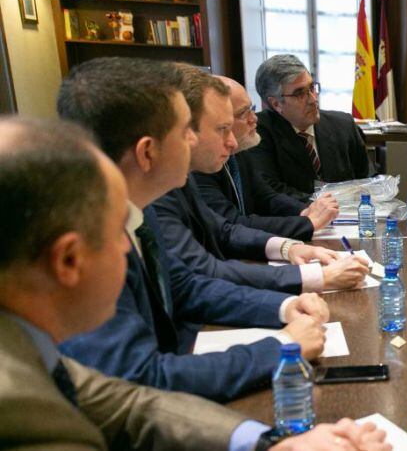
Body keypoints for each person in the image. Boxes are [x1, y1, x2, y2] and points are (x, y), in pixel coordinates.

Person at [0, 116, 388, 450]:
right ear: (68, 260)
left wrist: (269, 443)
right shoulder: (19, 413)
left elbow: (126, 404)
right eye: (120, 228)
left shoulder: (24, 341)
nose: (131, 244)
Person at [55, 57, 330, 402]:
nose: (194, 139)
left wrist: (283, 306)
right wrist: (282, 346)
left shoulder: (133, 206)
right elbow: (142, 380)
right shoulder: (84, 245)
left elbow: (184, 286)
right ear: (147, 152)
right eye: (185, 130)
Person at [153, 65, 370, 294]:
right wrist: (316, 276)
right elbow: (204, 272)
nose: (233, 142)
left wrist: (288, 246)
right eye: (222, 128)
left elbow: (226, 230)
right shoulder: (166, 189)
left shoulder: (180, 178)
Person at [194, 75, 340, 241]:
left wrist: (305, 211)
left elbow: (266, 196)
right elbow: (231, 223)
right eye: (243, 113)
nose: (254, 118)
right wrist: (307, 223)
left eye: (252, 108)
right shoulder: (200, 165)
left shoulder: (240, 151)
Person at [250, 54, 373, 201]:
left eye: (312, 88)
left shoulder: (343, 125)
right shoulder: (258, 134)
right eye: (300, 93)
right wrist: (327, 205)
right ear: (276, 104)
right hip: (298, 220)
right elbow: (271, 193)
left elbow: (369, 180)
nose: (313, 99)